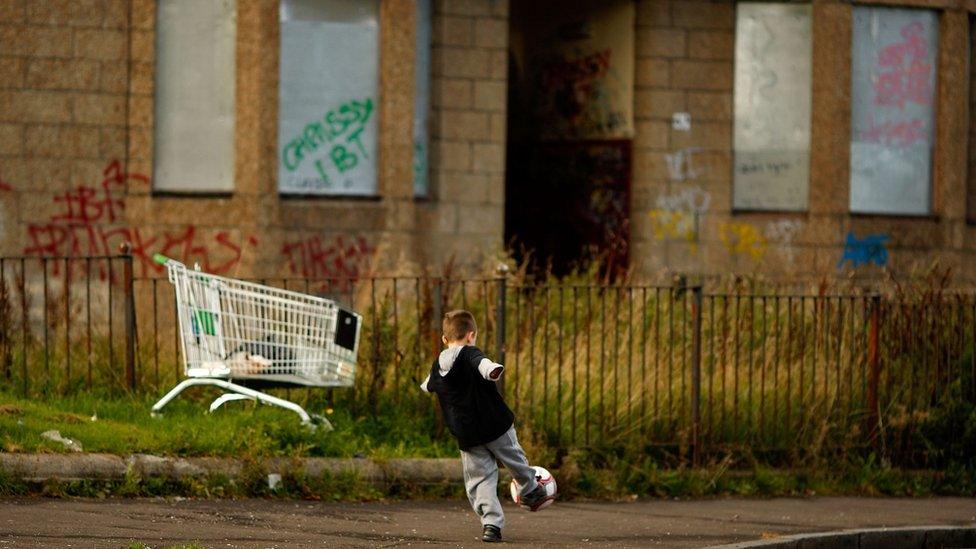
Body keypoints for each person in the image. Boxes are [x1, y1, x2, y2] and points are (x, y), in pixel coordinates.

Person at [420, 310, 552, 543]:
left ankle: (491, 525)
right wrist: (492, 369)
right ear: (472, 335)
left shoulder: (437, 364)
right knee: (514, 459)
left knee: (480, 480)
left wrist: (428, 386)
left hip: (467, 434)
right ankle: (531, 488)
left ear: (444, 339)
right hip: (495, 425)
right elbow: (482, 363)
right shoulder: (471, 353)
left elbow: (429, 384)